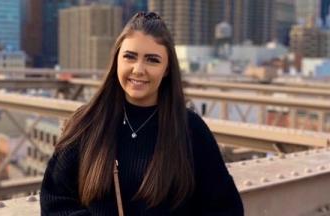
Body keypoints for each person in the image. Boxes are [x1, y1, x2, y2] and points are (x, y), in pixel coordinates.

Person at [40, 11, 244, 216]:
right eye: (130, 57)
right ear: (116, 60)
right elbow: (54, 202)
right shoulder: (86, 123)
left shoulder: (190, 129)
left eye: (152, 60)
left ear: (166, 69)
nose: (138, 69)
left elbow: (226, 208)